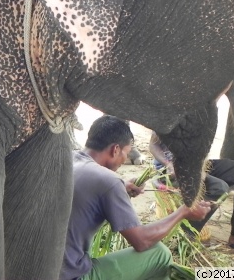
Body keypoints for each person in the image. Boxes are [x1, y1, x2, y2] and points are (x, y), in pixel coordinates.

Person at [61, 115, 211, 280]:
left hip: (41, 269)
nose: (124, 159)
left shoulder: (66, 160)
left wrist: (121, 188)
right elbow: (142, 241)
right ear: (115, 150)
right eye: (126, 152)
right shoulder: (109, 181)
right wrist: (182, 212)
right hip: (71, 275)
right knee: (160, 254)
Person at [149, 131, 234, 258]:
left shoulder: (203, 114)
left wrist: (199, 169)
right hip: (172, 170)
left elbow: (202, 148)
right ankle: (183, 236)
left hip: (200, 165)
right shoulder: (169, 114)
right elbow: (153, 145)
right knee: (219, 187)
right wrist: (168, 164)